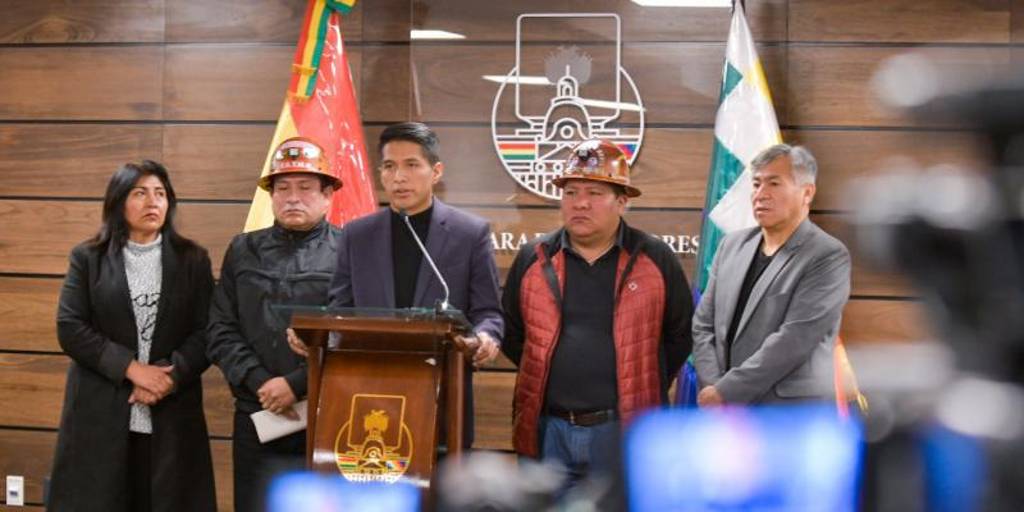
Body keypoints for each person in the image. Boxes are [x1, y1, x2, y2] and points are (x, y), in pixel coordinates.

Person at [287, 122, 504, 448]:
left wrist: (486, 336)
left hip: (444, 396)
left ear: (436, 171)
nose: (399, 177)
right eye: (389, 166)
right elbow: (340, 311)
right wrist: (312, 334)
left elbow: (489, 312)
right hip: (370, 395)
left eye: (411, 165)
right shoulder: (357, 235)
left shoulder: (469, 233)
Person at [500, 139, 693, 488]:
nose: (580, 203)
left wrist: (642, 379)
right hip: (547, 429)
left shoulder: (654, 257)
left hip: (623, 429)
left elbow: (680, 336)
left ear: (622, 201)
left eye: (594, 193)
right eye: (571, 192)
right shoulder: (534, 257)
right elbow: (514, 335)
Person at [51, 161, 216, 511]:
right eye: (140, 193)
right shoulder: (88, 257)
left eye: (160, 194)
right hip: (101, 412)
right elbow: (70, 327)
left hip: (171, 412)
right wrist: (132, 369)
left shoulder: (193, 260)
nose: (152, 202)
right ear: (118, 202)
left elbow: (207, 331)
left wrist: (167, 377)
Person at [206, 137, 342, 511]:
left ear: (328, 195)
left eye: (305, 187)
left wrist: (296, 384)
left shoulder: (349, 252)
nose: (292, 198)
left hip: (326, 414)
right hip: (258, 411)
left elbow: (356, 333)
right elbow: (220, 329)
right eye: (282, 188)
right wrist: (261, 382)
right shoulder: (242, 249)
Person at [692, 144, 851, 406]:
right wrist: (713, 387)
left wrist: (727, 392)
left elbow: (795, 338)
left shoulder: (827, 255)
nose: (760, 194)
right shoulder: (731, 246)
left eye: (774, 184)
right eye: (756, 184)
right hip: (722, 409)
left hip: (787, 414)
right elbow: (703, 325)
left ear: (807, 193)